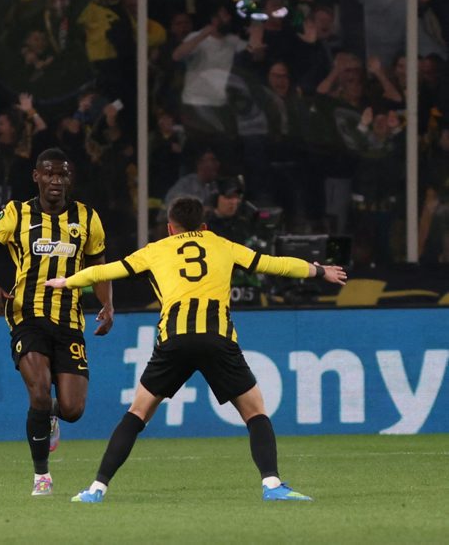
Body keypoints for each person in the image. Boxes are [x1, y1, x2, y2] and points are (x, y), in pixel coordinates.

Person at [45, 196, 348, 503]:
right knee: (255, 412)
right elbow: (275, 264)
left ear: (169, 228)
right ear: (203, 226)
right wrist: (319, 270)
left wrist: (67, 281)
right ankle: (272, 485)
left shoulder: (155, 250)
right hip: (217, 338)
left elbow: (104, 271)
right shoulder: (222, 244)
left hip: (174, 340)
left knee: (137, 414)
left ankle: (96, 489)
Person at [0, 147, 115, 496]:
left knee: (73, 409)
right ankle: (41, 476)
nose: (55, 180)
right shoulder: (16, 213)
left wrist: (107, 305)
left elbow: (99, 267)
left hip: (69, 320)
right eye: (49, 173)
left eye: (62, 174)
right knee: (39, 391)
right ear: (36, 177)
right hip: (26, 316)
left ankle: (51, 415)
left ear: (69, 179)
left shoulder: (87, 218)